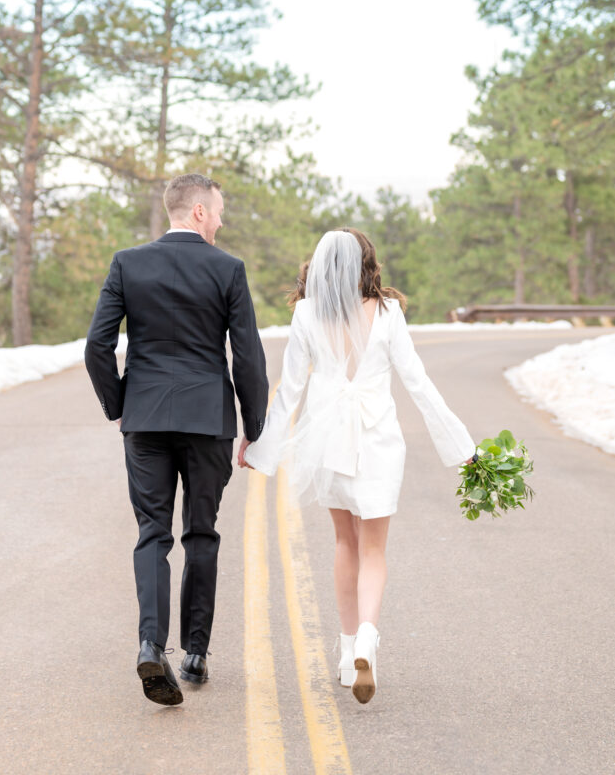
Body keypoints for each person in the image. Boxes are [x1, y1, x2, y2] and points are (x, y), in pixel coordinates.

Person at [239, 228, 474, 705]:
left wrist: (259, 448)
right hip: (378, 442)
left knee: (344, 542)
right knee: (374, 550)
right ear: (368, 263)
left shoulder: (306, 313)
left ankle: (348, 656)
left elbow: (289, 392)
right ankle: (367, 635)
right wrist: (461, 446)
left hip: (328, 442)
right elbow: (419, 384)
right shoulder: (388, 313)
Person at [85, 173, 268, 706]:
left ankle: (150, 643)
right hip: (208, 419)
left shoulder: (127, 263)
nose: (221, 221)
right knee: (201, 533)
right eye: (217, 212)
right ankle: (195, 653)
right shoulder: (228, 269)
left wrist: (122, 404)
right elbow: (248, 356)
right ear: (196, 213)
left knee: (152, 535)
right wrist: (254, 429)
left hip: (145, 418)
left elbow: (98, 345)